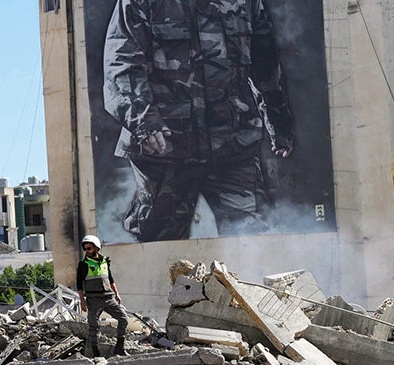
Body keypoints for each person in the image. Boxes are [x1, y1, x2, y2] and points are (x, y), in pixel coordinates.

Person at [102, 0, 295, 242]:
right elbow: (121, 61)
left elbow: (265, 63)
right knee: (162, 246)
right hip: (165, 152)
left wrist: (278, 121)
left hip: (233, 146)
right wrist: (144, 121)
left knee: (252, 239)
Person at [76, 235, 129, 356]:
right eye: (85, 249)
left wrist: (117, 294)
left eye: (89, 248)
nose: (87, 251)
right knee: (93, 326)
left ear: (96, 247)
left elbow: (111, 279)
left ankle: (119, 348)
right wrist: (82, 301)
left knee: (123, 319)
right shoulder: (83, 264)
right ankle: (96, 353)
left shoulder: (105, 261)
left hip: (109, 297)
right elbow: (79, 284)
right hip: (93, 299)